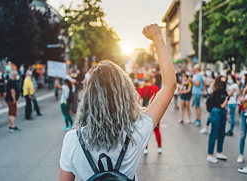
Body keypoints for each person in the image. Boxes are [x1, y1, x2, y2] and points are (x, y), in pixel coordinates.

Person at [59, 24, 176, 181]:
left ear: (89, 98)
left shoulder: (73, 139)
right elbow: (169, 85)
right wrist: (158, 39)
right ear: (125, 94)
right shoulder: (138, 130)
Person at [137, 73, 162, 154]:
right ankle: (159, 147)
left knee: (145, 131)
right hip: (155, 112)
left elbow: (137, 102)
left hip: (144, 113)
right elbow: (160, 100)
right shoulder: (155, 88)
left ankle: (146, 148)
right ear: (151, 79)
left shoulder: (140, 89)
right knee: (157, 130)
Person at [207, 75, 229, 163]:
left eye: (225, 81)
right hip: (216, 112)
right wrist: (226, 101)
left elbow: (226, 99)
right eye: (222, 81)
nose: (224, 83)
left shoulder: (223, 90)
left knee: (221, 133)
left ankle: (219, 152)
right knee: (214, 133)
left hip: (222, 112)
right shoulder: (216, 92)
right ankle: (210, 154)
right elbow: (222, 104)